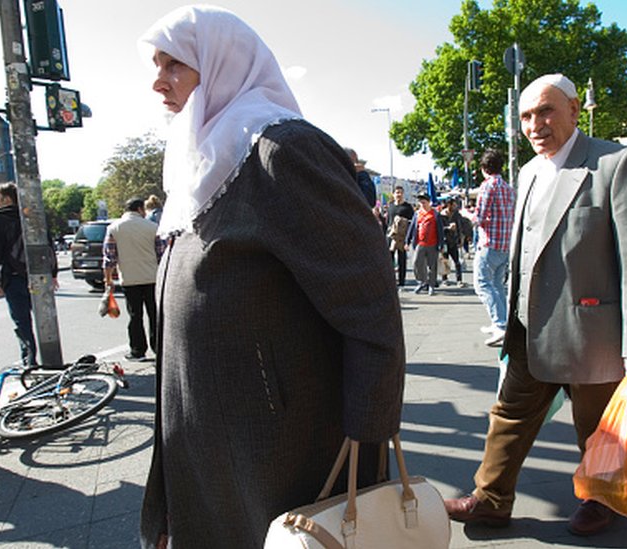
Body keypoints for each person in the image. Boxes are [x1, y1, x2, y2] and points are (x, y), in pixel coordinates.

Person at [138, 7, 405, 548]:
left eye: (175, 65)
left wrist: (368, 437)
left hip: (280, 445)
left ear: (219, 66)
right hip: (210, 436)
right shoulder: (202, 163)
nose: (157, 81)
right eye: (156, 64)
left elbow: (369, 299)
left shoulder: (281, 150)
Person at [443, 74, 627, 537]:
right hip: (529, 327)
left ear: (574, 109)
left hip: (592, 330)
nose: (535, 124)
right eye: (526, 116)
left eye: (545, 111)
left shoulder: (617, 163)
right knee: (508, 415)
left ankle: (601, 500)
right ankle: (490, 499)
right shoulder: (527, 172)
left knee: (598, 428)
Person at [0, 182, 58, 366]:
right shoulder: (33, 217)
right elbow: (48, 245)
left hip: (14, 278)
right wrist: (53, 273)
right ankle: (52, 359)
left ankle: (30, 361)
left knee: (22, 322)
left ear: (7, 198)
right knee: (45, 319)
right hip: (40, 276)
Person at [103, 197, 160, 362]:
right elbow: (161, 254)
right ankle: (159, 349)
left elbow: (109, 258)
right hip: (152, 278)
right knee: (155, 315)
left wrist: (108, 280)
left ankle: (137, 350)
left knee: (135, 316)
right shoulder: (153, 227)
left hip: (129, 279)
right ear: (140, 209)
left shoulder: (114, 228)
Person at [471, 149, 516, 347]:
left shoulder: (487, 186)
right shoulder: (508, 187)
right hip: (505, 244)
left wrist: (467, 215)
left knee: (482, 285)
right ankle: (501, 322)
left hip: (489, 243)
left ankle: (500, 326)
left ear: (484, 168)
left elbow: (479, 218)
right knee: (497, 285)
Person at [405, 192, 444, 295]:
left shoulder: (435, 214)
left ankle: (431, 285)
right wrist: (407, 241)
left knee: (432, 266)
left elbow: (440, 230)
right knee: (416, 263)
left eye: (424, 200)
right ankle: (422, 282)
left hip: (432, 243)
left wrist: (441, 244)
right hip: (419, 243)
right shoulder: (417, 214)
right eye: (420, 201)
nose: (422, 203)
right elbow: (412, 228)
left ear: (428, 201)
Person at [385, 185, 414, 287]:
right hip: (391, 236)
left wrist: (409, 239)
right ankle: (391, 280)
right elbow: (387, 221)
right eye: (397, 192)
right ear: (393, 194)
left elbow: (412, 223)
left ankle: (402, 282)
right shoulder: (391, 206)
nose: (399, 194)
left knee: (402, 259)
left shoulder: (408, 207)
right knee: (389, 259)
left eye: (401, 192)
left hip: (402, 236)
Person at [438, 198, 472, 287]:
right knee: (445, 261)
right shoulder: (441, 215)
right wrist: (448, 228)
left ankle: (459, 280)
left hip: (453, 241)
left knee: (457, 262)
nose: (455, 207)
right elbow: (438, 229)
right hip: (445, 241)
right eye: (453, 205)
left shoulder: (456, 215)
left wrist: (461, 239)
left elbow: (460, 227)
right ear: (449, 205)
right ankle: (445, 279)